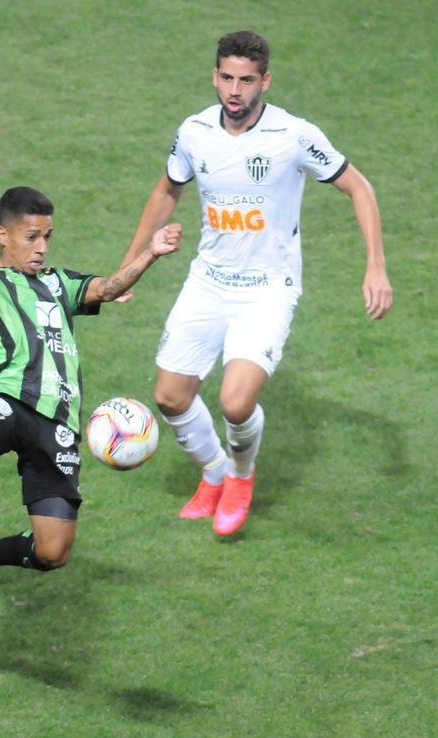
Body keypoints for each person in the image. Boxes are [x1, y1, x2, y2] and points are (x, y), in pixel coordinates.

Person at [118, 30, 392, 537]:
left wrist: (375, 265)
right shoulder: (196, 131)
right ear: (214, 76)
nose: (235, 90)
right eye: (226, 78)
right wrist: (128, 265)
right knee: (170, 396)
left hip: (268, 287)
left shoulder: (294, 135)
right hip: (209, 280)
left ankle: (240, 479)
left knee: (236, 403)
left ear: (265, 80)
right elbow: (165, 192)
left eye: (247, 80)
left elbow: (359, 187)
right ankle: (215, 472)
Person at [0, 144, 182, 607]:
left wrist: (150, 254)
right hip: (7, 399)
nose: (42, 246)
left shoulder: (58, 283)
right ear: (3, 237)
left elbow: (107, 289)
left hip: (59, 425)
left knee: (53, 553)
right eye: (31, 236)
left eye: (47, 236)